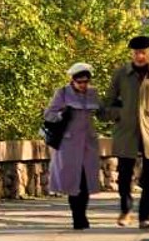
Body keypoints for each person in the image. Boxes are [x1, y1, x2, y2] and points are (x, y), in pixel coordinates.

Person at [105, 35, 149, 229]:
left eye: (143, 52)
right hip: (126, 131)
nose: (139, 56)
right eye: (136, 53)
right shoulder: (120, 74)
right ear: (132, 54)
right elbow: (107, 103)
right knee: (125, 175)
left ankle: (146, 217)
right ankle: (126, 211)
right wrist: (119, 113)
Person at [44, 62, 104, 229]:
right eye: (80, 82)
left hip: (88, 145)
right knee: (73, 183)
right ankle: (77, 217)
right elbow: (48, 115)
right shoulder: (62, 93)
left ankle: (82, 214)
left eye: (86, 82)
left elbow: (102, 113)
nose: (83, 85)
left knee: (85, 182)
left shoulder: (93, 93)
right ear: (73, 80)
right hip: (68, 145)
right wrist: (62, 114)